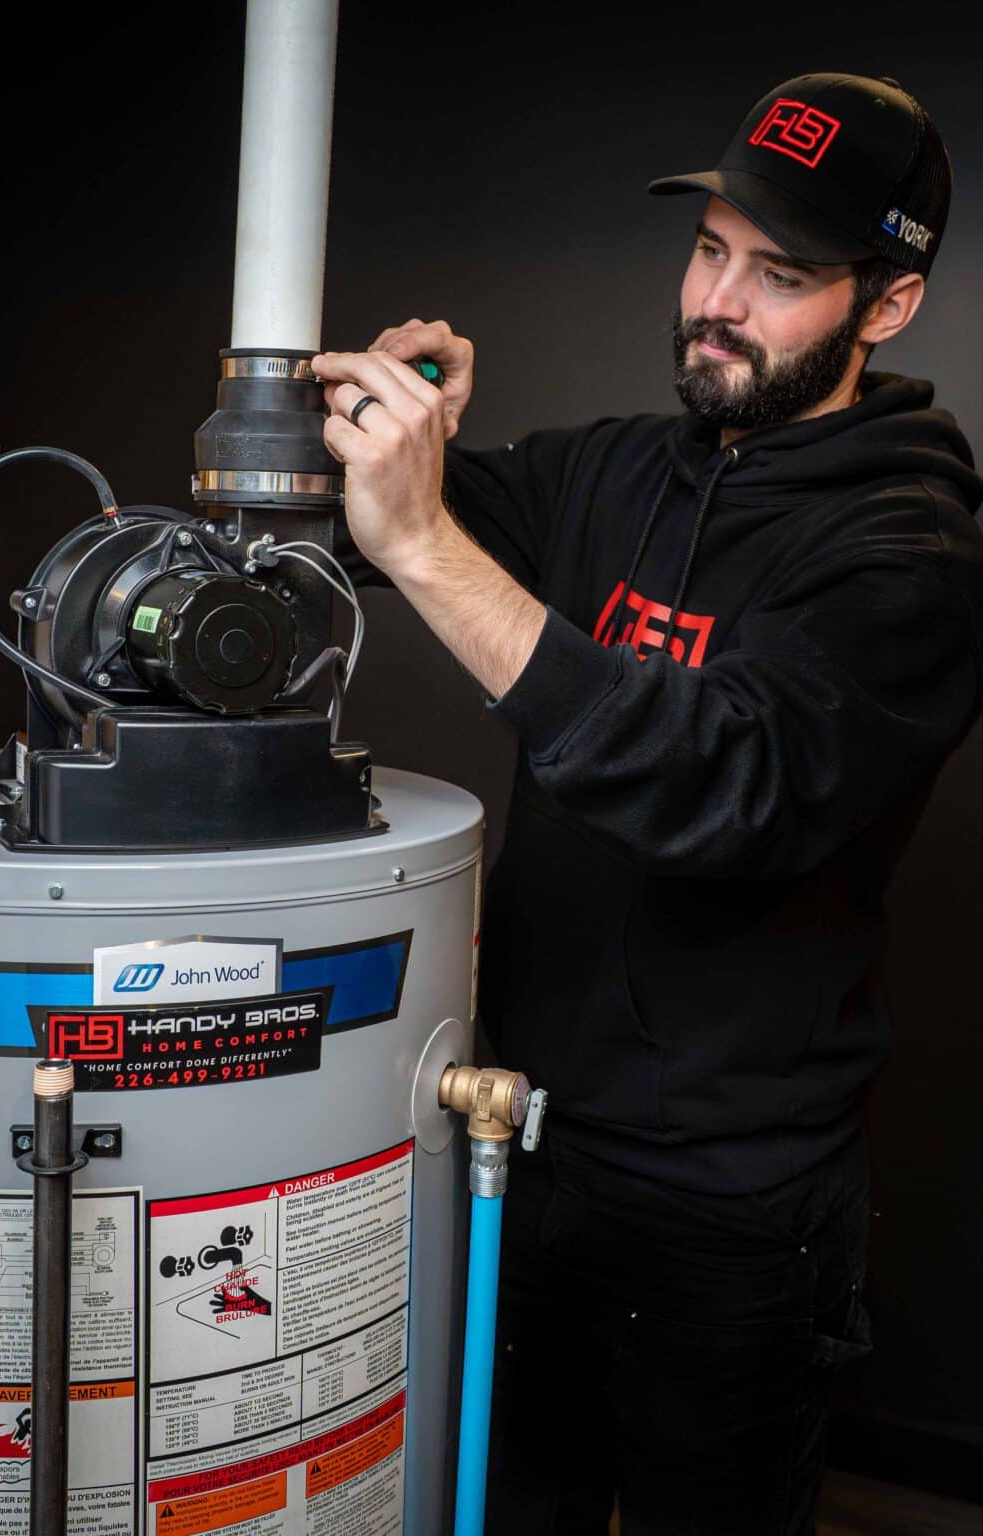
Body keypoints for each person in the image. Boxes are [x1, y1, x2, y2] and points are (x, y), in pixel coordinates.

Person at [313, 73, 983, 1535]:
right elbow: (359, 525)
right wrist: (371, 425)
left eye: (784, 273)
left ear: (892, 304)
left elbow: (721, 787)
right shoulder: (620, 469)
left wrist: (432, 546)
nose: (720, 302)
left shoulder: (908, 556)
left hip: (731, 1213)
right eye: (711, 250)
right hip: (521, 1140)